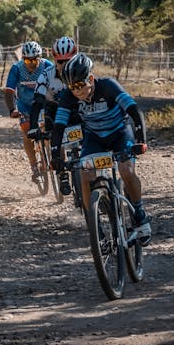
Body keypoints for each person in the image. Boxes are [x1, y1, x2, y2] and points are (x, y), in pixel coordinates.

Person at [50, 52, 151, 243]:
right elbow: (58, 127)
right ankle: (94, 225)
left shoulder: (108, 86)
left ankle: (139, 214)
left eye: (80, 85)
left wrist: (141, 141)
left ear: (90, 78)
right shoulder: (68, 97)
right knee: (85, 174)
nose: (77, 91)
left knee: (126, 170)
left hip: (120, 133)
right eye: (72, 87)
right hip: (95, 137)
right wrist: (55, 156)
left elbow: (133, 111)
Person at [28, 36, 78, 195]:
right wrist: (33, 127)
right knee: (56, 138)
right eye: (60, 62)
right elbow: (37, 103)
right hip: (54, 112)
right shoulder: (46, 75)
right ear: (55, 59)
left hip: (77, 111)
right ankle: (62, 174)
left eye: (68, 61)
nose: (63, 65)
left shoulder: (82, 71)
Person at [4, 40, 52, 181]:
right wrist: (12, 109)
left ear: (40, 58)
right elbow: (9, 91)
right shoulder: (17, 68)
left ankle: (48, 156)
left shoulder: (47, 66)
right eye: (27, 61)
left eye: (34, 60)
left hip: (43, 104)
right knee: (27, 134)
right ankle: (34, 166)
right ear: (22, 59)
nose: (30, 64)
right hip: (25, 106)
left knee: (50, 131)